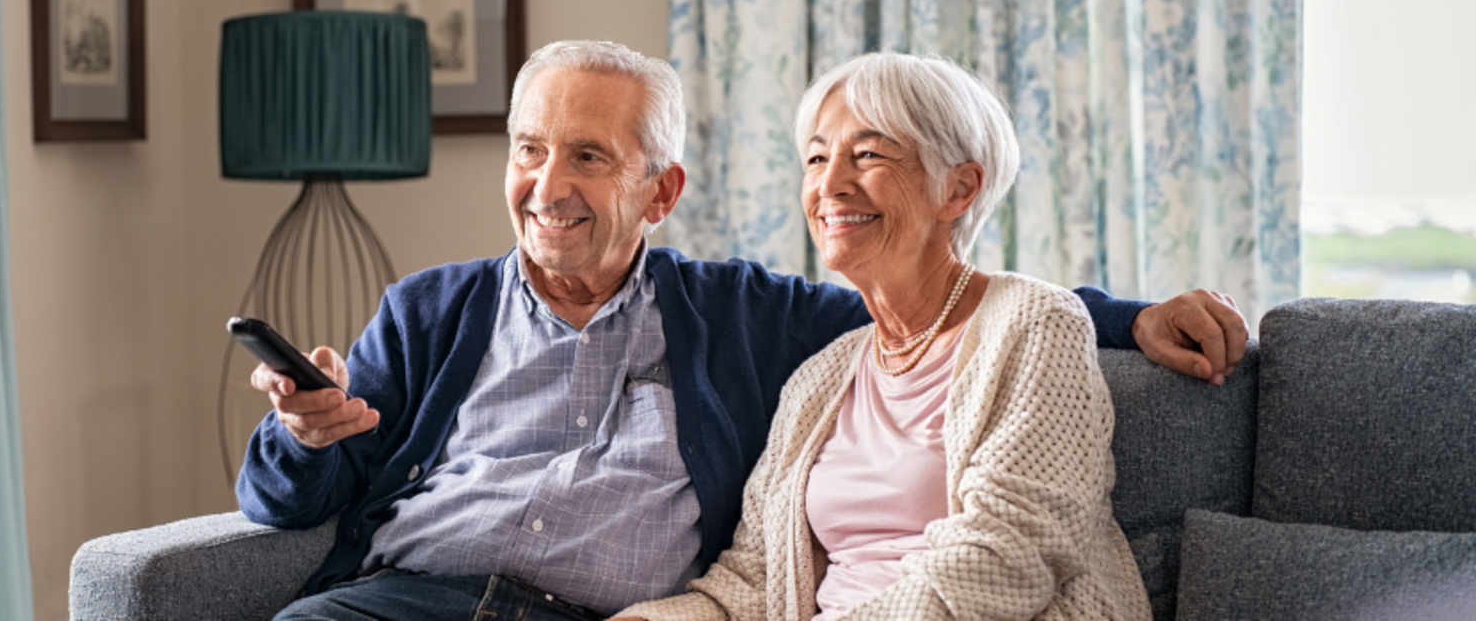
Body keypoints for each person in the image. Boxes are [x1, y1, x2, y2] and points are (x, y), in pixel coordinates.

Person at [238, 40, 1236, 621]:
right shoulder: (429, 311)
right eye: (530, 150)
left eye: (586, 155)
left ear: (660, 191)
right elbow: (295, 497)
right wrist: (299, 434)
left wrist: (1131, 314)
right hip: (407, 601)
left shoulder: (749, 318)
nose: (548, 186)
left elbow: (953, 303)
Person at [611, 53, 1150, 621]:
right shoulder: (821, 379)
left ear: (959, 189)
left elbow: (1005, 560)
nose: (830, 184)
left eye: (867, 155)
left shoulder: (1035, 324)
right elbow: (753, 583)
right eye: (817, 158)